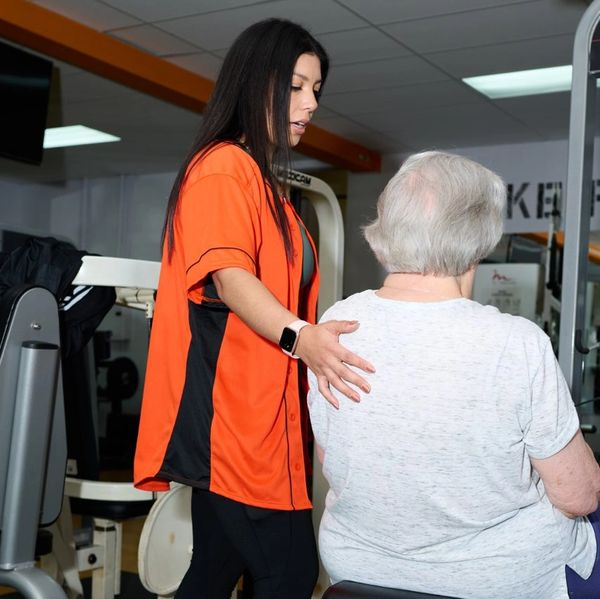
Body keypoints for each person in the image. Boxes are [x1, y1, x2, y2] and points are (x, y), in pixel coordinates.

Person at [133, 18, 374, 599]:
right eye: (296, 85)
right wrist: (303, 339)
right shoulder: (224, 168)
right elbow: (231, 276)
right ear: (256, 82)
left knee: (213, 572)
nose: (311, 102)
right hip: (237, 429)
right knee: (288, 573)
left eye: (316, 89)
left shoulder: (269, 187)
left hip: (270, 423)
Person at [308, 151, 600, 599]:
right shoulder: (515, 342)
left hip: (357, 566)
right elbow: (579, 497)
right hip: (496, 579)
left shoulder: (335, 325)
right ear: (479, 238)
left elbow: (335, 460)